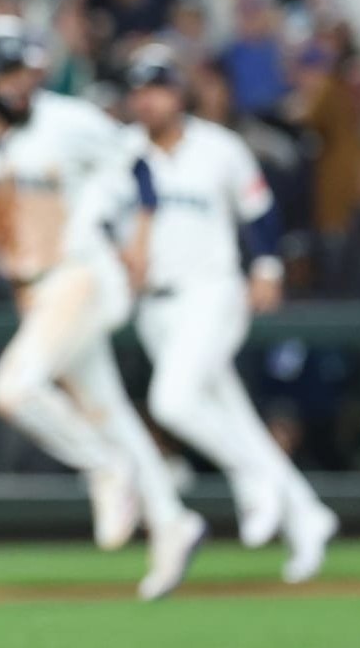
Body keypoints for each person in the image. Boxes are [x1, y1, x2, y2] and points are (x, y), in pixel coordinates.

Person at [0, 16, 205, 600]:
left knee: (11, 391)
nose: (22, 82)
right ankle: (173, 523)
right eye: (9, 71)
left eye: (27, 69)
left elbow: (139, 164)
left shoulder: (68, 120)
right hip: (32, 290)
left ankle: (104, 469)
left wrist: (139, 237)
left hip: (84, 273)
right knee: (107, 409)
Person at [120, 46, 339, 583]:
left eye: (159, 87)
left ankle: (255, 478)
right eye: (141, 90)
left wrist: (267, 266)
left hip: (213, 293)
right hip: (154, 306)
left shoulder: (219, 148)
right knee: (233, 416)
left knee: (172, 402)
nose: (149, 99)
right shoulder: (124, 152)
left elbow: (261, 214)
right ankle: (308, 516)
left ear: (179, 92)